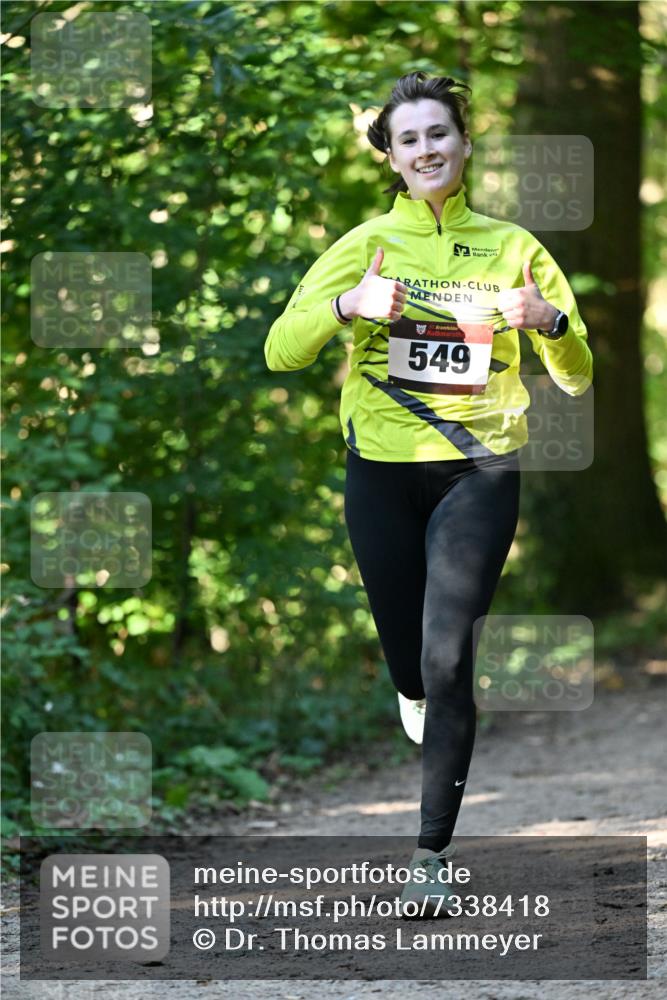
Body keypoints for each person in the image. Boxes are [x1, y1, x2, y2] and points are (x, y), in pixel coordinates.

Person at [264, 71, 593, 916]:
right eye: (408, 139)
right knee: (412, 664)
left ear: (463, 144)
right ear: (392, 157)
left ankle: (430, 854)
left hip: (479, 469)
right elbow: (280, 351)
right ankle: (409, 691)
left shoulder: (515, 247)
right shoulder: (365, 242)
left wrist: (549, 324)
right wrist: (347, 303)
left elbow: (576, 374)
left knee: (450, 656)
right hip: (378, 468)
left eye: (437, 133)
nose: (426, 149)